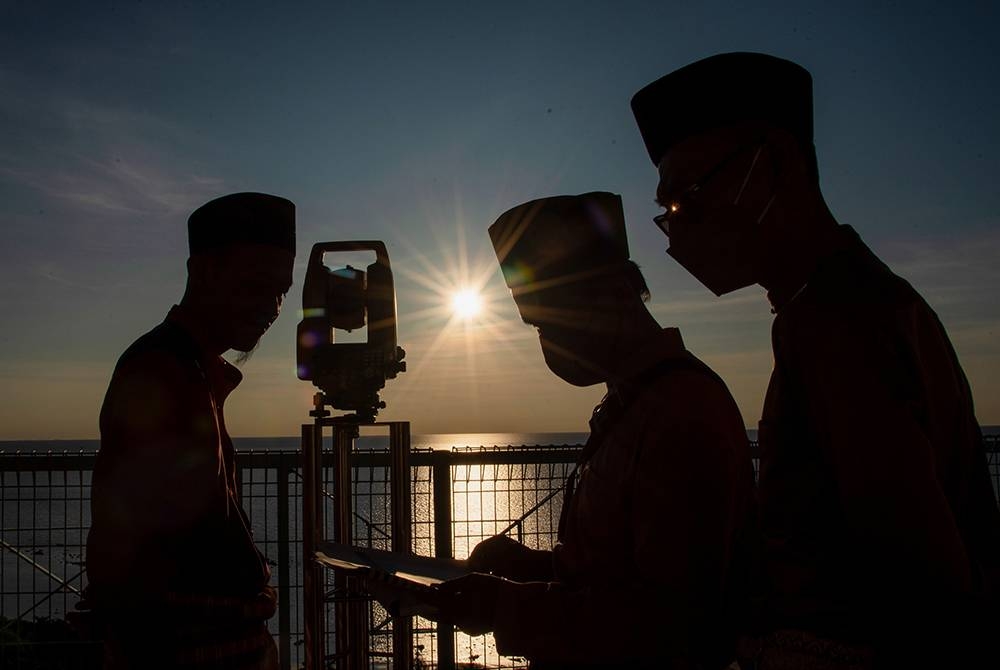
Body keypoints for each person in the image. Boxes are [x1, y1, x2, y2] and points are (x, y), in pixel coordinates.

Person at [631, 52, 1000, 668]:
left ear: (773, 165)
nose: (675, 233)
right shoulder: (842, 304)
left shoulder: (838, 321)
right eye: (666, 214)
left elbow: (919, 586)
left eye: (687, 201)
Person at [433, 191, 758, 669]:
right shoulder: (629, 405)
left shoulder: (680, 414)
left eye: (550, 321)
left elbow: (675, 624)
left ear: (609, 294)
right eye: (535, 326)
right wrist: (534, 566)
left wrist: (508, 606)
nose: (547, 342)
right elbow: (616, 573)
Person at [82, 192, 296, 669]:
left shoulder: (189, 368)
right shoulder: (165, 371)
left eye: (281, 290)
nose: (272, 306)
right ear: (202, 271)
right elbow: (179, 545)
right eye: (256, 284)